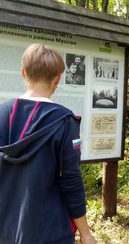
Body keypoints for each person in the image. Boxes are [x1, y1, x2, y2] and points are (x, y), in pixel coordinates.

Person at [0, 44, 96, 244]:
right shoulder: (65, 120)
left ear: (23, 73)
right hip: (50, 230)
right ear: (58, 78)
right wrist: (85, 233)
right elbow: (71, 181)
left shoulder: (2, 114)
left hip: (5, 227)